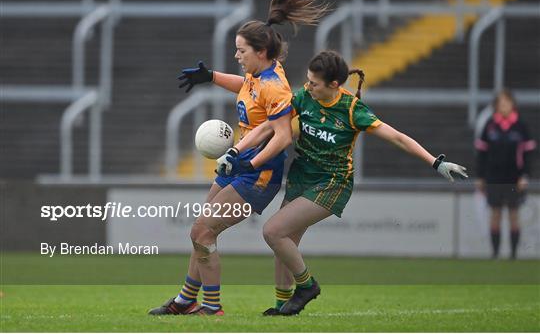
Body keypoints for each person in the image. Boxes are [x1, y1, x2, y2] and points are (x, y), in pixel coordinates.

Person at [223, 50, 469, 316]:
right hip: (301, 176)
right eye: (308, 80)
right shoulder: (304, 97)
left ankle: (306, 286)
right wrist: (237, 150)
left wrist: (435, 162)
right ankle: (283, 306)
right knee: (285, 243)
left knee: (273, 231)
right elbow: (271, 126)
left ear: (334, 85)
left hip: (332, 182)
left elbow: (397, 137)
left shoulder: (352, 109)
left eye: (314, 83)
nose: (308, 86)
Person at [148, 0, 329, 316]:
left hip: (256, 175)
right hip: (239, 164)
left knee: (203, 231)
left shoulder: (275, 86)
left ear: (260, 52)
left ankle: (210, 307)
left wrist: (249, 161)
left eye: (241, 50)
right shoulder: (259, 75)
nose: (237, 56)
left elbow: (283, 137)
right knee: (201, 228)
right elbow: (246, 86)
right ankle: (186, 300)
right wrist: (211, 77)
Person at [475, 90, 536, 259]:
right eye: (500, 103)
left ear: (512, 104)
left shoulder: (521, 125)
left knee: (513, 215)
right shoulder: (489, 125)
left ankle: (513, 255)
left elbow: (529, 154)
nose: (504, 106)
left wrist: (525, 175)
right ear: (496, 106)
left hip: (514, 178)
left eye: (506, 103)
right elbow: (481, 153)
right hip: (493, 177)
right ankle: (495, 254)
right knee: (495, 214)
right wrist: (480, 176)